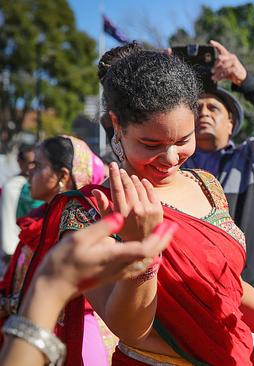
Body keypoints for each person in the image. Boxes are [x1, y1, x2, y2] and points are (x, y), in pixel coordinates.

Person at [17, 48, 254, 366]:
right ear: (117, 125)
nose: (169, 159)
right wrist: (142, 253)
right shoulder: (90, 212)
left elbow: (229, 287)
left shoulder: (206, 184)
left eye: (183, 140)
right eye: (151, 145)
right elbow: (130, 329)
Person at [183, 40, 254, 296]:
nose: (203, 113)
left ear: (231, 123)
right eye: (196, 108)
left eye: (213, 108)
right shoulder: (173, 162)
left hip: (244, 295)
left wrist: (247, 82)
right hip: (183, 292)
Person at [0, 213, 177, 366]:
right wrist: (49, 289)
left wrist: (48, 289)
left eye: (38, 169)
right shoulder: (74, 213)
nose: (31, 174)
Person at [0, 136, 108, 363]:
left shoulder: (74, 232)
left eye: (38, 166)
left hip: (73, 335)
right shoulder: (37, 224)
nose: (30, 173)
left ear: (62, 176)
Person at [1, 144, 42, 262]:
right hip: (14, 245)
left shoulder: (16, 184)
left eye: (36, 163)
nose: (32, 168)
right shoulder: (15, 185)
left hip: (24, 245)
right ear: (20, 162)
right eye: (30, 163)